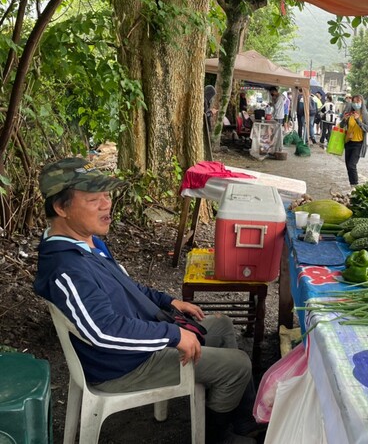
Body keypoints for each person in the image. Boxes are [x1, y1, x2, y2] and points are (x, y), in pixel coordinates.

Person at [33, 158, 261, 444]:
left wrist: (168, 302)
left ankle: (238, 418)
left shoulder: (87, 243)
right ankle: (220, 435)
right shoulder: (66, 267)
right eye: (94, 199)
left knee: (224, 326)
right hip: (123, 365)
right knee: (238, 364)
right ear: (60, 208)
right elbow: (103, 331)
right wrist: (173, 334)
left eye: (107, 196)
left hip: (142, 336)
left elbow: (126, 286)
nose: (107, 204)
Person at [338, 94, 368, 186]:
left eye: (358, 101)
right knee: (348, 165)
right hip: (348, 142)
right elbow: (341, 126)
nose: (356, 104)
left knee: (352, 165)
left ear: (362, 102)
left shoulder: (365, 115)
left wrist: (358, 121)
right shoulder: (350, 113)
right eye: (354, 102)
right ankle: (352, 185)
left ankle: (355, 185)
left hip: (358, 143)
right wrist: (344, 120)